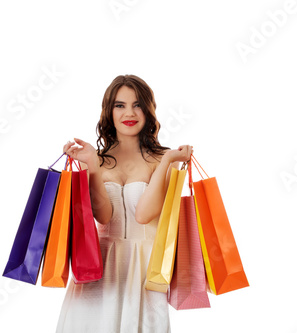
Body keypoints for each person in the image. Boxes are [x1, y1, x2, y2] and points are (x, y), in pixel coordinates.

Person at [55, 74, 192, 332]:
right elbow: (103, 216)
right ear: (109, 111)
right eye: (120, 105)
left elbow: (144, 214)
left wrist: (165, 163)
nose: (129, 112)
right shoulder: (93, 159)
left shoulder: (166, 158)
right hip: (99, 266)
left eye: (137, 104)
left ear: (148, 109)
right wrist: (92, 166)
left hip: (144, 268)